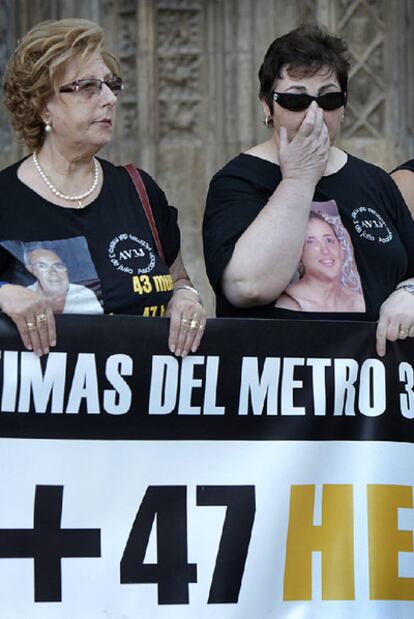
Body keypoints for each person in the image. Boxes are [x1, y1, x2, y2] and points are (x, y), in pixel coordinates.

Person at [203, 24, 414, 357]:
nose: (314, 114)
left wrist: (410, 293)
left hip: (372, 395)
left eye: (329, 99)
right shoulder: (238, 181)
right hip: (280, 392)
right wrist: (299, 178)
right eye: (296, 99)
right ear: (267, 107)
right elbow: (247, 286)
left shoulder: (374, 181)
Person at [0, 18, 206, 357]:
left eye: (111, 84)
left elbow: (179, 279)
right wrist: (4, 293)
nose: (109, 98)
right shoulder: (6, 199)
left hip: (146, 401)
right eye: (88, 87)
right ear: (42, 106)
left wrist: (186, 298)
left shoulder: (139, 190)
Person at [274, 211, 365, 312]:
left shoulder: (358, 302)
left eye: (329, 240)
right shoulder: (289, 304)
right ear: (298, 256)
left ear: (341, 249)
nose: (325, 250)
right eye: (311, 242)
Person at [25, 246, 103, 314]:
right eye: (42, 266)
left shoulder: (83, 293)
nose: (53, 271)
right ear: (30, 270)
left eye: (58, 266)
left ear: (66, 270)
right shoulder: (24, 297)